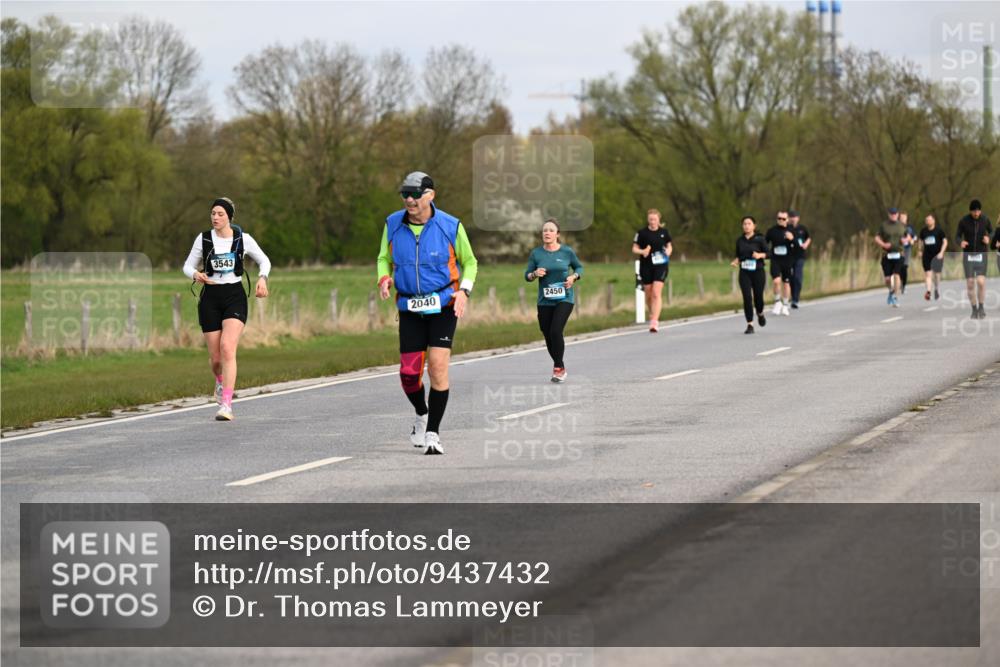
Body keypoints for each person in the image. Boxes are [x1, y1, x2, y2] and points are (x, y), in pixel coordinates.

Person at [377, 172, 478, 455]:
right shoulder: (393, 223)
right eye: (405, 194)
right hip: (409, 306)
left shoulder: (450, 225)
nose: (409, 200)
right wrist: (384, 277)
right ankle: (422, 413)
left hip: (444, 304)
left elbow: (469, 262)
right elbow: (383, 257)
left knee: (437, 366)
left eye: (415, 194)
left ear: (430, 195)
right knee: (409, 374)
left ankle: (433, 433)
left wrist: (464, 291)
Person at [183, 197, 271, 421]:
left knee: (228, 347)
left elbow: (265, 261)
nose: (215, 217)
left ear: (230, 217)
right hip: (210, 297)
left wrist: (263, 279)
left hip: (234, 295)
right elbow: (187, 265)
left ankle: (227, 405)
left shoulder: (243, 238)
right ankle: (220, 382)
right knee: (215, 359)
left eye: (221, 214)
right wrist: (195, 274)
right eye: (213, 213)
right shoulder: (203, 239)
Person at [525, 219, 583, 382]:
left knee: (556, 331)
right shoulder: (536, 254)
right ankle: (560, 365)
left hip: (564, 297)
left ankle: (558, 368)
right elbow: (527, 276)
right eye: (544, 230)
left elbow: (579, 267)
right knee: (547, 333)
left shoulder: (566, 252)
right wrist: (535, 273)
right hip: (545, 300)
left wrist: (573, 277)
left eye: (551, 230)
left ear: (557, 234)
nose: (547, 233)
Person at [631, 208, 672, 332]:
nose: (653, 222)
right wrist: (642, 251)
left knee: (656, 293)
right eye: (650, 219)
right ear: (648, 220)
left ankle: (654, 321)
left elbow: (669, 246)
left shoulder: (664, 232)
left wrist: (668, 252)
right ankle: (652, 313)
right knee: (648, 294)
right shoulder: (642, 233)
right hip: (646, 266)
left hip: (661, 265)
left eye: (655, 219)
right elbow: (634, 248)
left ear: (659, 220)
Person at [955, 199, 993, 320]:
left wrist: (989, 238)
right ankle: (974, 309)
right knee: (970, 284)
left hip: (981, 255)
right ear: (970, 211)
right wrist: (961, 242)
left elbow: (992, 232)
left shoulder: (985, 220)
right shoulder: (964, 221)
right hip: (968, 256)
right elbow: (957, 236)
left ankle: (981, 307)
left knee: (981, 282)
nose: (976, 213)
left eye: (978, 211)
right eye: (974, 211)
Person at [731, 215, 769, 334]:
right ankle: (750, 324)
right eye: (744, 224)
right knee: (747, 298)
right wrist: (736, 261)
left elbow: (769, 253)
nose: (746, 226)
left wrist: (759, 255)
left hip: (758, 271)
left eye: (749, 224)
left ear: (754, 226)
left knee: (758, 298)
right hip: (744, 272)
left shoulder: (760, 239)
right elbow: (739, 256)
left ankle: (760, 313)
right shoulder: (740, 241)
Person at [875, 207, 910, 308]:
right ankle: (891, 291)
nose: (894, 215)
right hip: (887, 254)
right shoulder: (884, 225)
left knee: (896, 275)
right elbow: (877, 237)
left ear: (898, 215)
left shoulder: (902, 226)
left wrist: (905, 240)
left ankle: (895, 296)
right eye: (892, 214)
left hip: (899, 253)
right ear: (889, 215)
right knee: (887, 279)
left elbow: (908, 236)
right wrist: (883, 244)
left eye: (895, 214)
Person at [765, 210, 795, 316]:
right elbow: (765, 243)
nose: (781, 220)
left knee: (786, 283)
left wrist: (792, 239)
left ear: (787, 219)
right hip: (775, 260)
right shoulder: (772, 231)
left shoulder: (791, 230)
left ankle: (786, 305)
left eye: (783, 219)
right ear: (777, 219)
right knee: (776, 281)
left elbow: (797, 247)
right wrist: (765, 254)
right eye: (779, 218)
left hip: (787, 261)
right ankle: (777, 302)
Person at [917, 214, 947, 301]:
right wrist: (919, 250)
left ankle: (936, 289)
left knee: (937, 275)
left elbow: (945, 242)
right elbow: (920, 241)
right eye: (926, 220)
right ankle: (928, 291)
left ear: (933, 221)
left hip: (937, 255)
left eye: (929, 220)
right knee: (928, 274)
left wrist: (941, 252)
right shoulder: (923, 231)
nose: (928, 222)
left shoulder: (939, 231)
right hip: (927, 255)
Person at [788, 210, 810, 308]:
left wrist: (806, 244)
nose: (793, 219)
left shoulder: (802, 229)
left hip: (800, 256)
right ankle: (793, 297)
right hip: (789, 256)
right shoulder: (787, 229)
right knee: (791, 278)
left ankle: (796, 299)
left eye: (795, 217)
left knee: (797, 277)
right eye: (791, 217)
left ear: (798, 218)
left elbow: (808, 238)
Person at [899, 211, 916, 294]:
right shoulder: (896, 227)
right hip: (898, 249)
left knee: (905, 267)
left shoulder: (909, 227)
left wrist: (912, 240)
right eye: (901, 217)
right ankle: (898, 283)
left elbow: (915, 237)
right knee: (898, 267)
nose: (902, 219)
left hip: (907, 249)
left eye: (904, 217)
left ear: (906, 218)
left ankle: (904, 285)